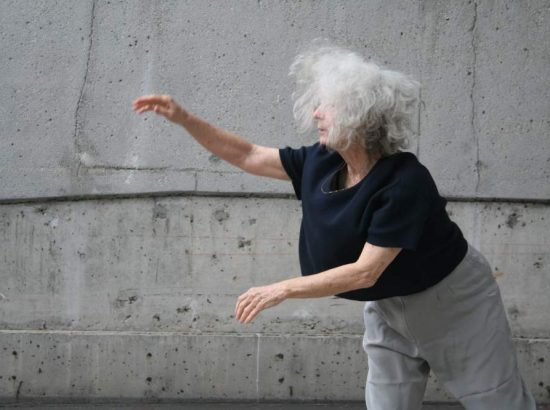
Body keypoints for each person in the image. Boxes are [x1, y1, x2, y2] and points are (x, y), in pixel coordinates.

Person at [132, 44, 536, 409]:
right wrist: (186, 120)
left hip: (452, 302)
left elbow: (365, 271)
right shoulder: (322, 161)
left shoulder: (406, 182)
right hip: (388, 304)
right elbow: (248, 154)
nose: (316, 113)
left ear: (361, 117)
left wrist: (282, 288)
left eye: (328, 105)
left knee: (497, 402)